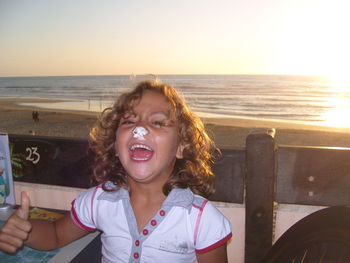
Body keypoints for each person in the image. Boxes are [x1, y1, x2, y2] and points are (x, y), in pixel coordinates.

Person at [0, 81, 232, 262]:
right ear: (115, 144)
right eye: (129, 122)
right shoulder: (99, 201)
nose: (140, 129)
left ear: (181, 147)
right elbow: (56, 235)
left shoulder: (201, 220)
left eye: (158, 122)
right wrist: (25, 231)